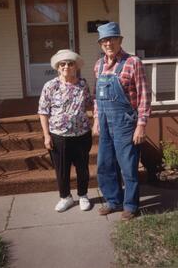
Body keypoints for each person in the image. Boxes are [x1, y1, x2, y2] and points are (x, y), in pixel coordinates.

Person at [92, 22, 151, 221]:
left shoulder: (133, 62)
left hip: (126, 122)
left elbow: (144, 95)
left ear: (120, 40)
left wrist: (141, 125)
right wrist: (96, 121)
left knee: (128, 165)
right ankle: (112, 200)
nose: (108, 43)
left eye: (112, 39)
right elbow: (96, 97)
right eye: (104, 40)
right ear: (100, 44)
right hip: (105, 121)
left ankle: (131, 205)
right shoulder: (98, 65)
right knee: (105, 164)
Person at [38, 49, 92, 212]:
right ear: (57, 67)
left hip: (82, 135)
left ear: (75, 66)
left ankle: (83, 195)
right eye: (62, 64)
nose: (66, 66)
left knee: (82, 168)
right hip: (59, 136)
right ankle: (65, 197)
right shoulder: (50, 86)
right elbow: (43, 111)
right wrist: (47, 135)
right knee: (62, 170)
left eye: (70, 63)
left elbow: (90, 103)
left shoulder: (83, 84)